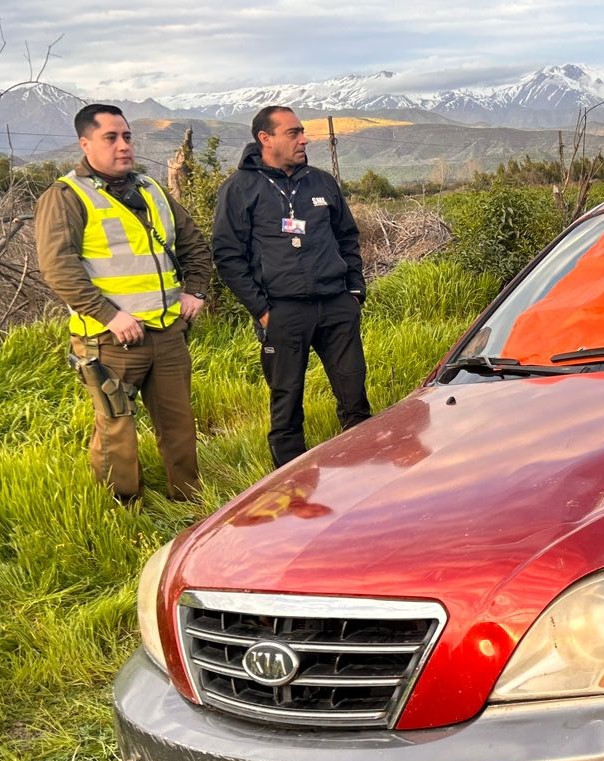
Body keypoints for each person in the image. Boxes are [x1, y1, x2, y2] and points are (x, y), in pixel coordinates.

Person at [35, 104, 210, 503]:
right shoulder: (66, 196)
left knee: (179, 424)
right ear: (85, 144)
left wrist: (195, 291)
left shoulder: (151, 190)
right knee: (116, 430)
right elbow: (59, 269)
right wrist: (109, 315)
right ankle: (122, 509)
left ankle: (190, 503)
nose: (123, 146)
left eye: (127, 136)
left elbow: (195, 244)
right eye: (110, 138)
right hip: (109, 340)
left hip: (166, 333)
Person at [212, 105, 371, 467]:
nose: (304, 139)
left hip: (336, 304)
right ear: (265, 139)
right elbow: (228, 255)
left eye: (302, 132)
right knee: (287, 401)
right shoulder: (240, 189)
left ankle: (364, 468)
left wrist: (354, 291)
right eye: (294, 133)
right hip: (282, 311)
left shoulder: (320, 181)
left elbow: (347, 236)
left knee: (354, 392)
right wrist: (263, 311)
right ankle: (292, 490)